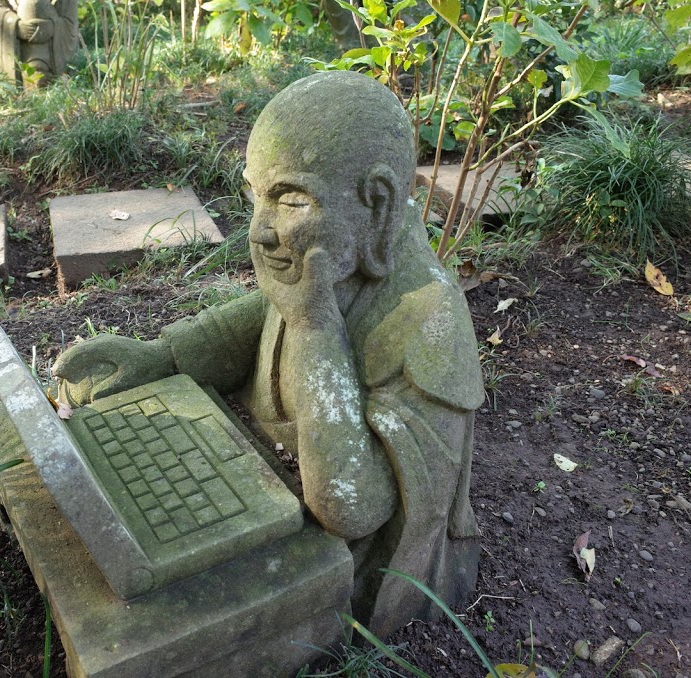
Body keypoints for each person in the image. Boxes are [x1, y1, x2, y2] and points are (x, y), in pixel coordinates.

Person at [54, 71, 484, 635]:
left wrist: (315, 329)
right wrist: (164, 358)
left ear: (378, 206)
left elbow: (351, 508)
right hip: (254, 468)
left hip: (332, 544)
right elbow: (266, 309)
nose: (258, 230)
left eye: (292, 200)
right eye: (255, 195)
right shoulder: (331, 258)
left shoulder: (429, 320)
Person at [0, 0, 78, 87]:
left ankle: (44, 68)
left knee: (37, 4)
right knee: (30, 5)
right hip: (18, 38)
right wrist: (16, 27)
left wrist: (53, 27)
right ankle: (28, 70)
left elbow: (69, 17)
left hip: (49, 47)